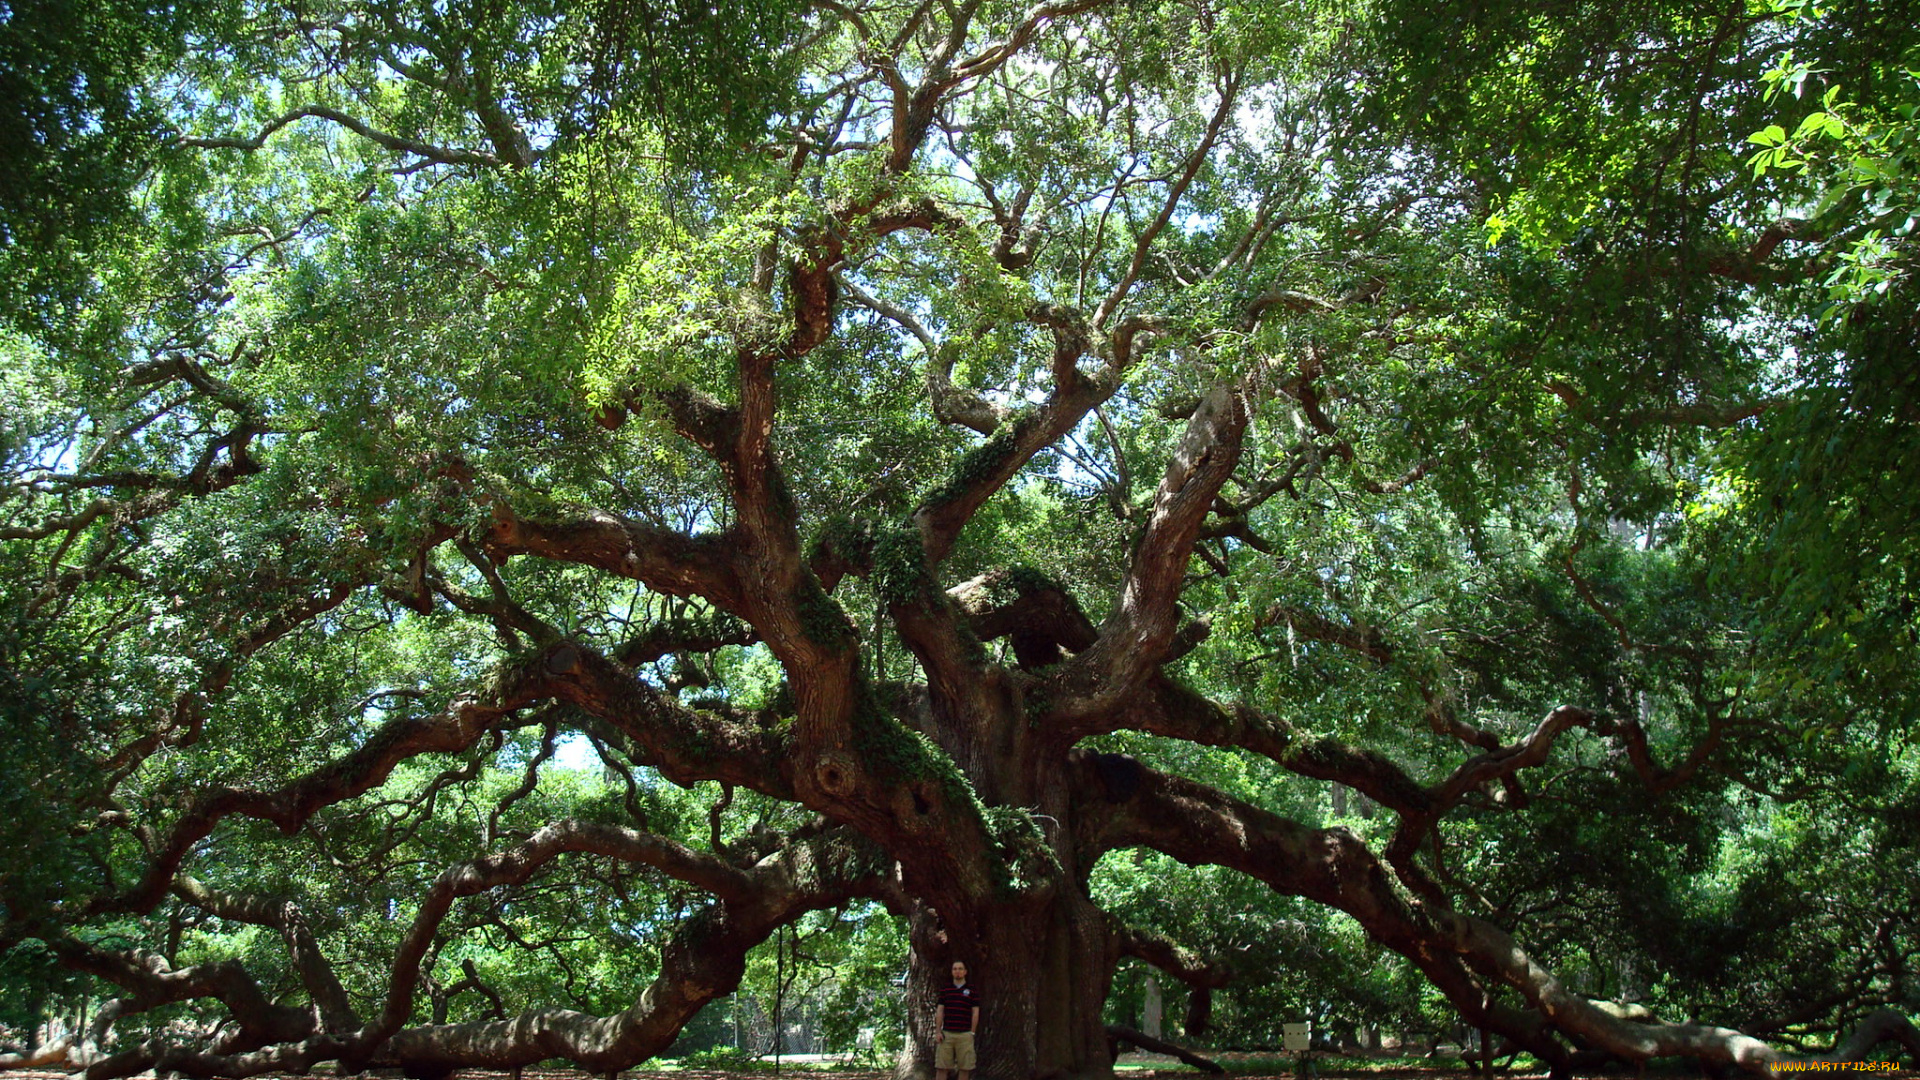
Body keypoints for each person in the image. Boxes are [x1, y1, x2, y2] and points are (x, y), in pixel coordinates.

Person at [933, 959, 980, 1080]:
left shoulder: (972, 990)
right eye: (955, 969)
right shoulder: (946, 989)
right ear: (952, 972)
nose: (957, 971)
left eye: (960, 969)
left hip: (965, 1034)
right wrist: (938, 1031)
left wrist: (972, 1032)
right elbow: (940, 1010)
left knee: (964, 1068)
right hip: (947, 1034)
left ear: (965, 972)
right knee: (941, 1067)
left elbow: (975, 1012)